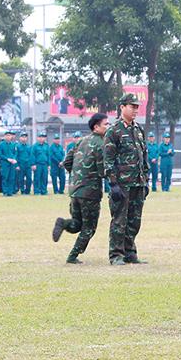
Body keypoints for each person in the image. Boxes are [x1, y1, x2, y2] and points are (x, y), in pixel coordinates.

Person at [52, 113, 109, 264]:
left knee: (77, 224)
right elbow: (103, 171)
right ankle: (72, 256)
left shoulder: (81, 141)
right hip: (90, 193)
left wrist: (78, 176)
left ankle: (63, 223)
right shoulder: (101, 144)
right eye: (106, 124)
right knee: (89, 227)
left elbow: (67, 162)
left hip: (75, 190)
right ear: (96, 127)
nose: (108, 127)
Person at [103, 93, 150, 266]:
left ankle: (130, 253)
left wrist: (146, 179)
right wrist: (113, 183)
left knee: (134, 220)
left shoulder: (138, 129)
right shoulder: (114, 130)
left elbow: (143, 155)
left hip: (138, 182)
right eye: (132, 106)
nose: (135, 110)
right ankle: (116, 255)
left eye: (137, 107)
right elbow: (108, 159)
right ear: (122, 107)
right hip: (122, 184)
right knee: (119, 220)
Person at [0, 130, 19, 196]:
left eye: (9, 135)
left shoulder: (13, 144)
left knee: (12, 177)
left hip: (12, 163)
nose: (8, 137)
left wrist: (14, 159)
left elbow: (15, 153)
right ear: (4, 136)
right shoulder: (1, 144)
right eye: (7, 135)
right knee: (5, 177)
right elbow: (0, 154)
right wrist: (7, 159)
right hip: (5, 163)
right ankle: (5, 191)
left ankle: (10, 192)